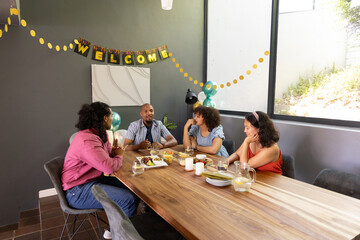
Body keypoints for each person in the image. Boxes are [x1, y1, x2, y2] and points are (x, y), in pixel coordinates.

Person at [61, 102, 139, 218]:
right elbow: (108, 168)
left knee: (135, 189)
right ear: (105, 118)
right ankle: (121, 233)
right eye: (112, 116)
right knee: (128, 200)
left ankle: (115, 228)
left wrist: (113, 152)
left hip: (92, 181)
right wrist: (118, 156)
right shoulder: (87, 140)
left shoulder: (99, 134)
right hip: (77, 191)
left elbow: (103, 156)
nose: (113, 119)